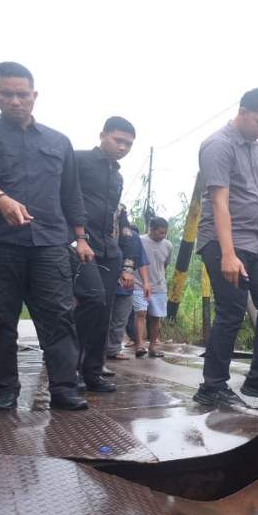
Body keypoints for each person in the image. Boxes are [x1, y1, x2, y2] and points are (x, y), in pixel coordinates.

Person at [0, 61, 90, 411]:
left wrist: (81, 237)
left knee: (59, 316)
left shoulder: (58, 141)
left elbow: (71, 193)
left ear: (34, 95)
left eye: (23, 94)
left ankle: (64, 388)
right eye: (7, 94)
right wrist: (0, 198)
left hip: (49, 242)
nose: (16, 101)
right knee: (0, 318)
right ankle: (6, 389)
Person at [193, 88, 258, 406]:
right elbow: (220, 203)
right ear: (243, 111)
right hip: (224, 241)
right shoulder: (218, 145)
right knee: (232, 310)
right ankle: (212, 387)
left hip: (257, 241)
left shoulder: (257, 148)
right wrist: (228, 254)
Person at [73, 116, 139, 391]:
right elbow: (66, 198)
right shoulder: (78, 160)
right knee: (91, 301)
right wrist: (77, 237)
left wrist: (123, 258)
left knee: (104, 311)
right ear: (102, 135)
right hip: (79, 243)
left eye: (128, 144)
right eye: (118, 140)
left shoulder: (118, 176)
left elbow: (113, 215)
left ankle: (92, 371)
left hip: (108, 249)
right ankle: (70, 369)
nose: (123, 147)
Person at [107, 218, 150, 360]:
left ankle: (113, 350)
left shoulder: (134, 238)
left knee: (120, 320)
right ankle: (98, 351)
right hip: (107, 283)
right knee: (104, 319)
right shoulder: (107, 233)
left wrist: (146, 283)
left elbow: (141, 261)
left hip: (126, 287)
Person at [133, 216, 171, 358]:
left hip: (159, 286)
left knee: (156, 317)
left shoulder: (168, 245)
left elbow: (165, 265)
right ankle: (139, 345)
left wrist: (160, 279)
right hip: (139, 284)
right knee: (141, 313)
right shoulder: (139, 241)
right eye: (160, 232)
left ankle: (153, 347)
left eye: (165, 233)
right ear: (151, 229)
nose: (163, 235)